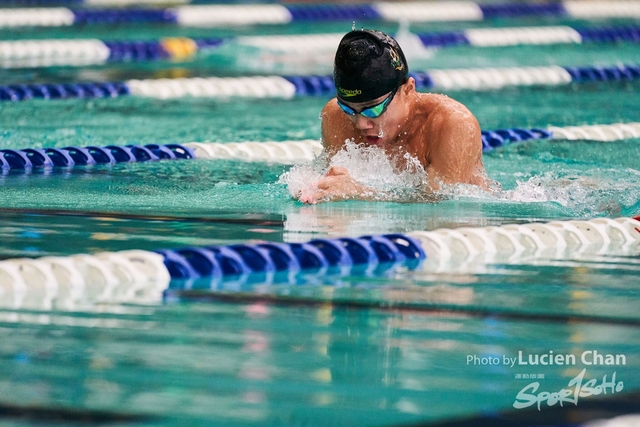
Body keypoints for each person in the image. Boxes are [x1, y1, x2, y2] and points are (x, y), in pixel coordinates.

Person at [299, 29, 491, 204]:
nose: (361, 123)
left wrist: (360, 192)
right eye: (349, 109)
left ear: (408, 90)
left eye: (372, 109)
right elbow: (336, 188)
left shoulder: (452, 125)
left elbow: (443, 207)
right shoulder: (335, 115)